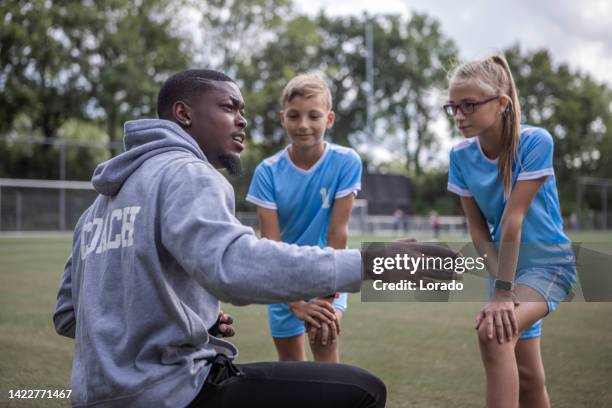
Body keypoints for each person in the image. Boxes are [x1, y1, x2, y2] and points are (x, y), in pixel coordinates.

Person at [53, 69, 457, 408]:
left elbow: (70, 316)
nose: (242, 120)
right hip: (172, 393)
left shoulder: (97, 208)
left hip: (96, 396)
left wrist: (194, 318)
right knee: (363, 391)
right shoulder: (188, 174)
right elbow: (234, 267)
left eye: (242, 110)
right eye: (229, 107)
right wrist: (373, 264)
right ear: (183, 114)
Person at [445, 55, 576, 408]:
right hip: (501, 267)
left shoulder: (535, 142)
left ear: (501, 103)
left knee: (494, 334)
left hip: (549, 264)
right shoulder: (459, 156)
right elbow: (477, 230)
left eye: (468, 105)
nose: (458, 115)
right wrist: (501, 283)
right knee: (529, 375)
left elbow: (512, 219)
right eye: (453, 107)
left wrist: (504, 294)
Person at [246, 73, 360, 363]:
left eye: (314, 116)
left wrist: (325, 299)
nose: (304, 125)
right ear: (283, 119)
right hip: (282, 278)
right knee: (293, 375)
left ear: (329, 119)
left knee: (327, 368)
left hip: (327, 275)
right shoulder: (267, 172)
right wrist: (295, 303)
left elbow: (338, 234)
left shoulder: (346, 162)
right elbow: (270, 245)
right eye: (294, 116)